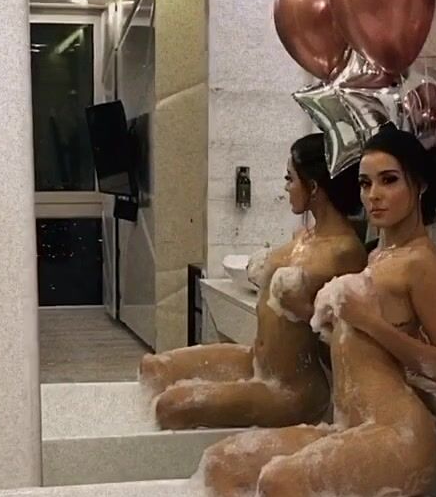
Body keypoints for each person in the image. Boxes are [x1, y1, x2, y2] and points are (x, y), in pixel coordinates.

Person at [201, 123, 436, 497]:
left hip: (399, 434)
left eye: (389, 180)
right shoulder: (377, 256)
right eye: (365, 183)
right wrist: (315, 316)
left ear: (418, 185)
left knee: (283, 484)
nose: (373, 195)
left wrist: (369, 321)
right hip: (351, 425)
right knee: (225, 463)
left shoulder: (422, 261)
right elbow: (356, 350)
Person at [139, 134, 367, 429]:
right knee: (153, 368)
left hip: (290, 389)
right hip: (257, 362)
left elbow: (351, 333)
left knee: (171, 407)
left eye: (290, 178)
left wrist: (307, 312)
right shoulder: (304, 237)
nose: (286, 187)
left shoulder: (345, 251)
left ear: (313, 187)